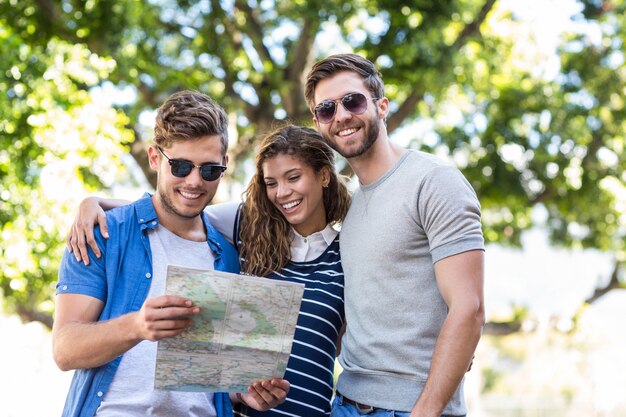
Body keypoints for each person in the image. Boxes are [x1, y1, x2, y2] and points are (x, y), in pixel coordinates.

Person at [66, 125, 352, 417]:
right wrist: (96, 203)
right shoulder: (243, 225)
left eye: (294, 177)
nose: (282, 193)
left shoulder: (350, 253)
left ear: (324, 175)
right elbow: (172, 212)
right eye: (271, 183)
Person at [53, 90, 289, 417]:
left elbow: (213, 376)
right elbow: (64, 350)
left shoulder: (228, 255)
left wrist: (245, 394)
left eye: (209, 171)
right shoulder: (101, 233)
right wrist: (137, 326)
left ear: (224, 166)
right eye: (180, 166)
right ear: (154, 158)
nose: (194, 182)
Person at [303, 53, 485, 417]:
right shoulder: (350, 208)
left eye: (352, 101)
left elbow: (469, 308)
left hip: (411, 409)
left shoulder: (434, 181)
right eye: (326, 109)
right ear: (318, 123)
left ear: (381, 106)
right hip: (345, 404)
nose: (341, 116)